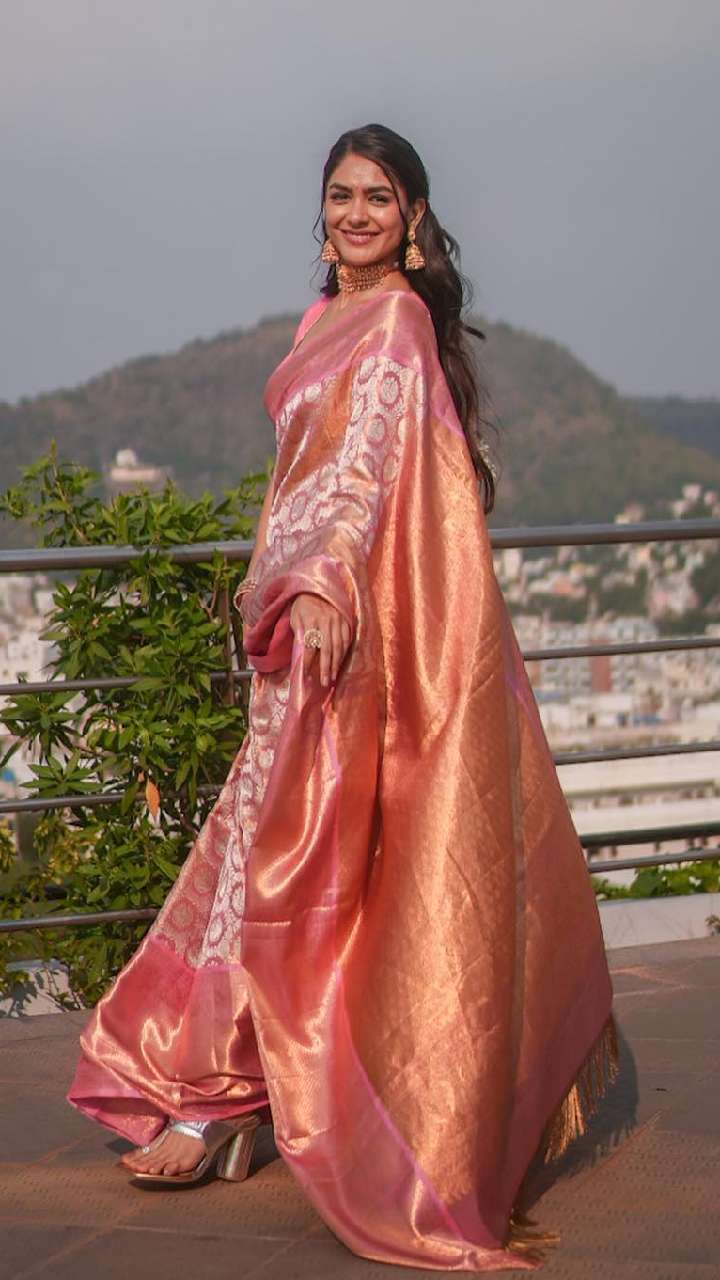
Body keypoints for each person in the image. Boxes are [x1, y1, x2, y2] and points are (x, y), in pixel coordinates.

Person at [67, 122, 619, 1272]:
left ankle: (234, 1097)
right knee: (267, 853)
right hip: (291, 631)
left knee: (303, 860)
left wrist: (322, 582)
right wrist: (274, 584)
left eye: (378, 197)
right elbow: (297, 478)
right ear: (321, 213)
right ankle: (235, 1085)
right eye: (341, 195)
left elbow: (365, 470)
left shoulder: (399, 323)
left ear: (411, 219)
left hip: (354, 633)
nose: (357, 213)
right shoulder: (321, 322)